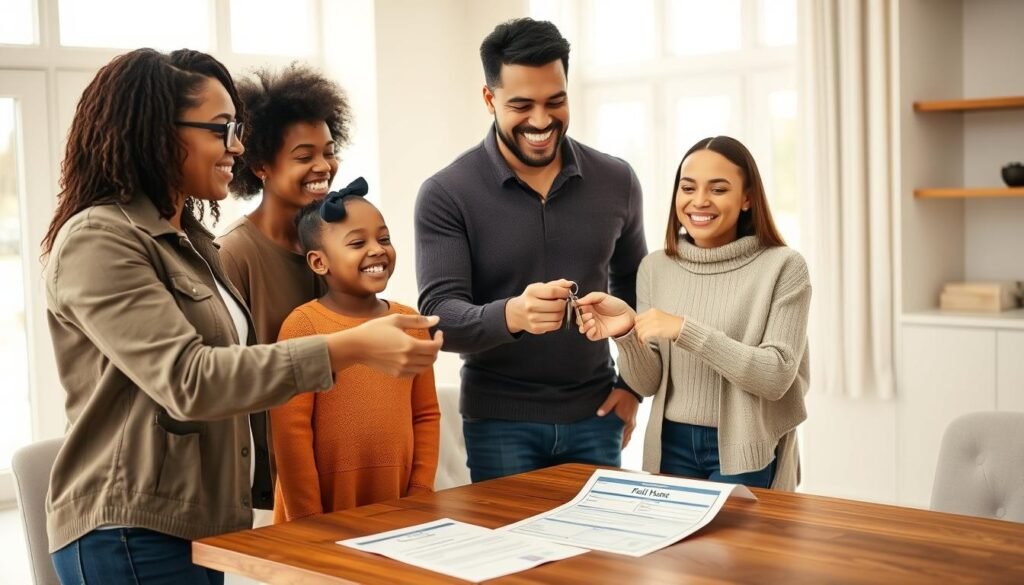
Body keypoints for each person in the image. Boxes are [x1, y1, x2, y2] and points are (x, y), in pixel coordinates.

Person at [41, 48, 441, 584]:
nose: (236, 145)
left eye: (238, 129)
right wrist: (353, 346)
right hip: (130, 532)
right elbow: (190, 379)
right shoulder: (99, 239)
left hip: (200, 524)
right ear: (160, 133)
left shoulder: (190, 243)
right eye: (222, 129)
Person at [414, 18, 647, 483]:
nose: (541, 121)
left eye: (555, 101)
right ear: (489, 99)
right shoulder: (447, 193)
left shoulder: (616, 180)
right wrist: (512, 315)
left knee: (599, 536)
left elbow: (639, 288)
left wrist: (632, 387)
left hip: (597, 414)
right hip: (499, 422)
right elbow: (438, 316)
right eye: (521, 105)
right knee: (510, 535)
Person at [576, 136, 810, 490]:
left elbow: (775, 376)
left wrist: (685, 330)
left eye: (718, 189)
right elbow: (647, 384)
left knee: (734, 531)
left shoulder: (784, 267)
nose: (699, 201)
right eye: (688, 188)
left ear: (747, 198)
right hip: (672, 444)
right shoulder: (655, 268)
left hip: (745, 446)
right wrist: (627, 334)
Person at [218, 63, 352, 512]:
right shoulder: (233, 255)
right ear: (260, 165)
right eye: (304, 156)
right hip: (270, 486)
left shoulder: (333, 242)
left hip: (336, 466)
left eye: (329, 151)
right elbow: (226, 377)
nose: (324, 166)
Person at [271, 179, 440, 523]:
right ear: (319, 262)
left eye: (384, 239)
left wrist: (420, 494)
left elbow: (425, 414)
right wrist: (307, 518)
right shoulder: (302, 326)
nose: (377, 250)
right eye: (358, 243)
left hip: (398, 502)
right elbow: (291, 434)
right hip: (320, 509)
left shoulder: (410, 322)